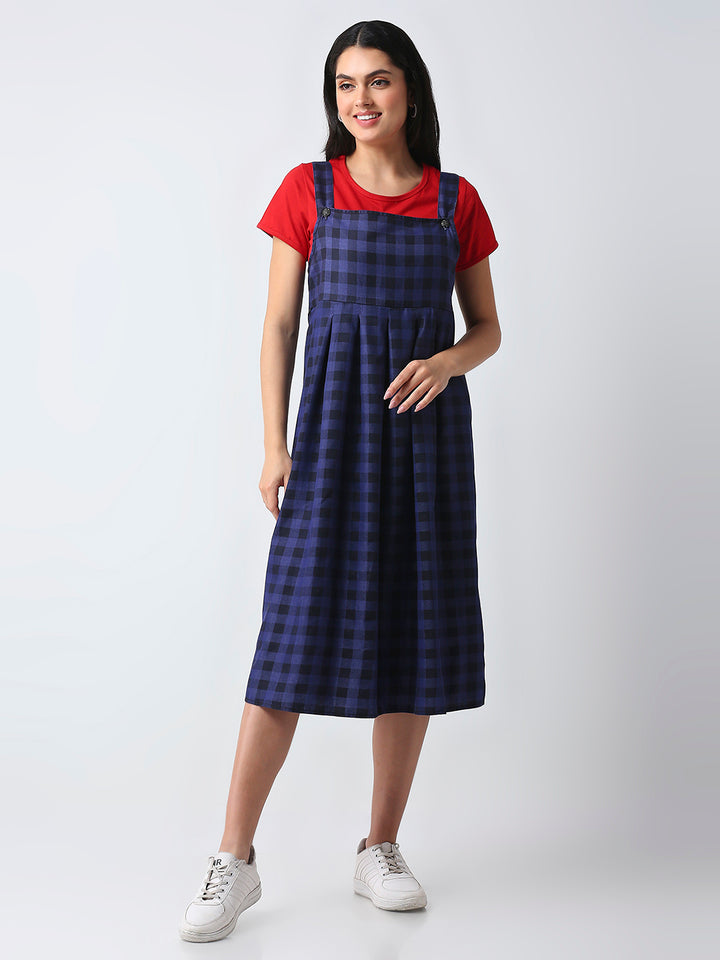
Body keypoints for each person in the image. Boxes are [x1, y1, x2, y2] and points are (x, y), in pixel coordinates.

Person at [179, 19, 501, 943]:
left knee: (412, 637)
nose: (362, 99)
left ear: (411, 91)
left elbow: (487, 328)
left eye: (379, 81)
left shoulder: (455, 200)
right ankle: (235, 859)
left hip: (426, 443)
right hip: (328, 439)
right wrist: (273, 444)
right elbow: (280, 325)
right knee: (287, 645)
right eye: (346, 85)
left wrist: (447, 363)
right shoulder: (307, 189)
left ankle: (380, 847)